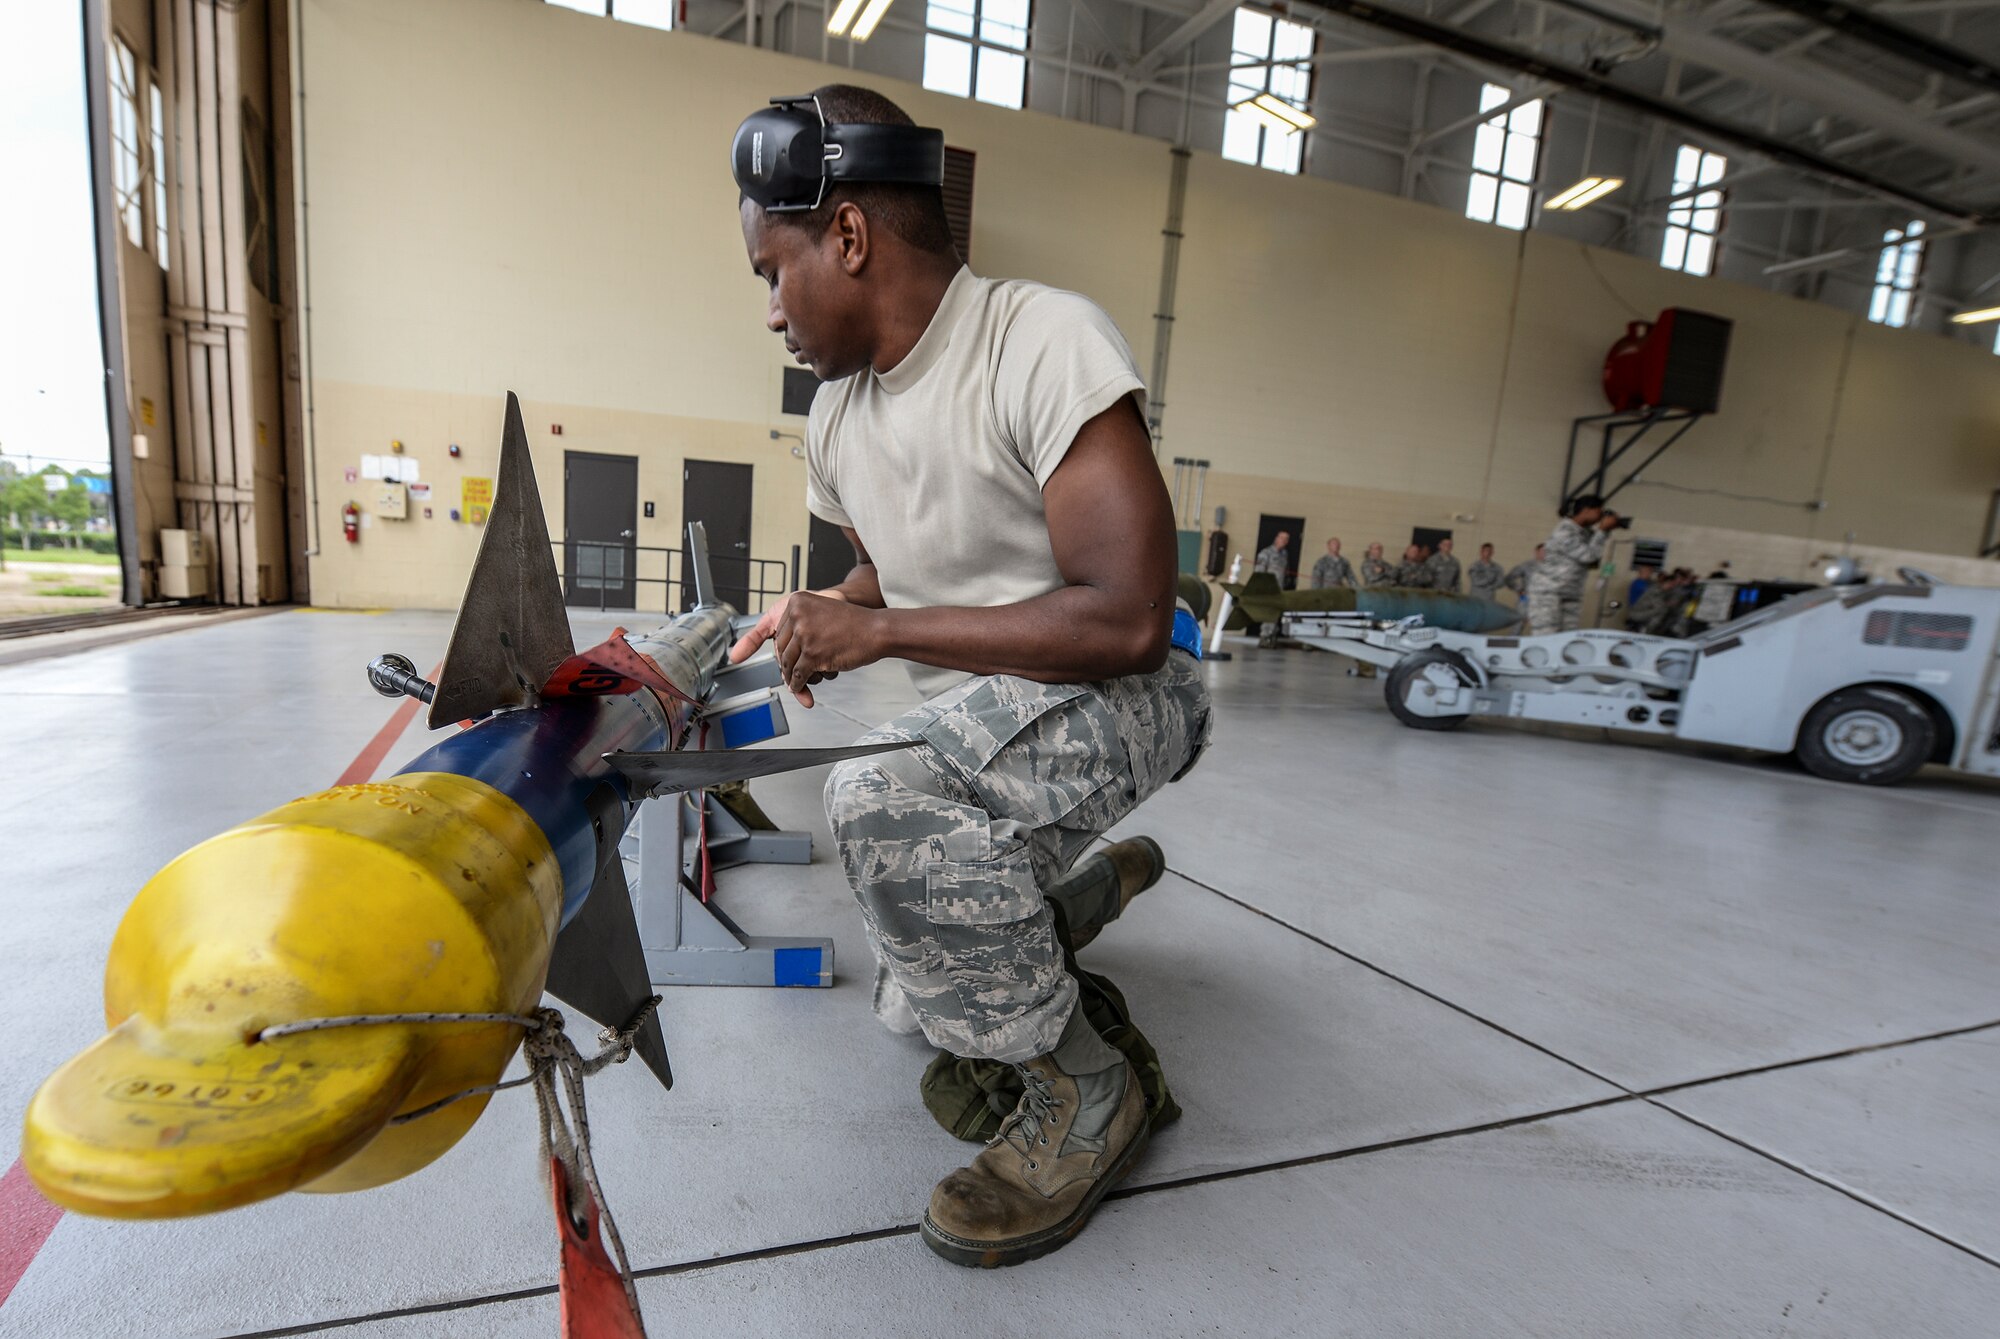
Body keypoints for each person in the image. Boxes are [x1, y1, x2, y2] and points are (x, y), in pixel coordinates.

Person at [730, 85, 1211, 1268]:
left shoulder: (1037, 340)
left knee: (880, 804)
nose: (770, 311)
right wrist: (827, 611)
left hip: (1129, 696)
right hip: (993, 709)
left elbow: (1132, 617)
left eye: (771, 270)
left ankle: (1090, 1094)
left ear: (846, 237)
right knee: (917, 1002)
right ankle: (1052, 911)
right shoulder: (837, 420)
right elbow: (887, 578)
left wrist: (881, 638)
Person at [1526, 496, 1620, 634]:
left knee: (1567, 638)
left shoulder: (1586, 532)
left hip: (1571, 593)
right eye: (1599, 512)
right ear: (1587, 510)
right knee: (1547, 638)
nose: (1600, 516)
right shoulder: (1565, 531)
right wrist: (1602, 530)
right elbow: (1588, 556)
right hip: (1548, 593)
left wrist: (1605, 531)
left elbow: (1594, 561)